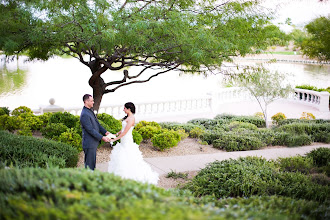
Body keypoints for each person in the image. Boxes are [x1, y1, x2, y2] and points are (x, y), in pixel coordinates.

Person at [108, 102, 159, 185]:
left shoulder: (131, 118)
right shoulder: (128, 117)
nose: (123, 110)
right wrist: (115, 134)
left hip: (127, 140)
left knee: (128, 157)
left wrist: (115, 139)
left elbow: (125, 132)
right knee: (122, 157)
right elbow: (123, 129)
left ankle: (129, 177)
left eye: (124, 108)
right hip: (123, 140)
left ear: (129, 109)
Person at [80, 94, 111, 170]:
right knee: (89, 166)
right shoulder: (84, 114)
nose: (93, 102)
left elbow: (97, 124)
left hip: (93, 143)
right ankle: (88, 180)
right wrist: (102, 137)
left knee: (92, 165)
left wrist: (105, 132)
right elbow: (90, 130)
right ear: (86, 102)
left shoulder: (90, 111)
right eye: (91, 101)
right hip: (89, 143)